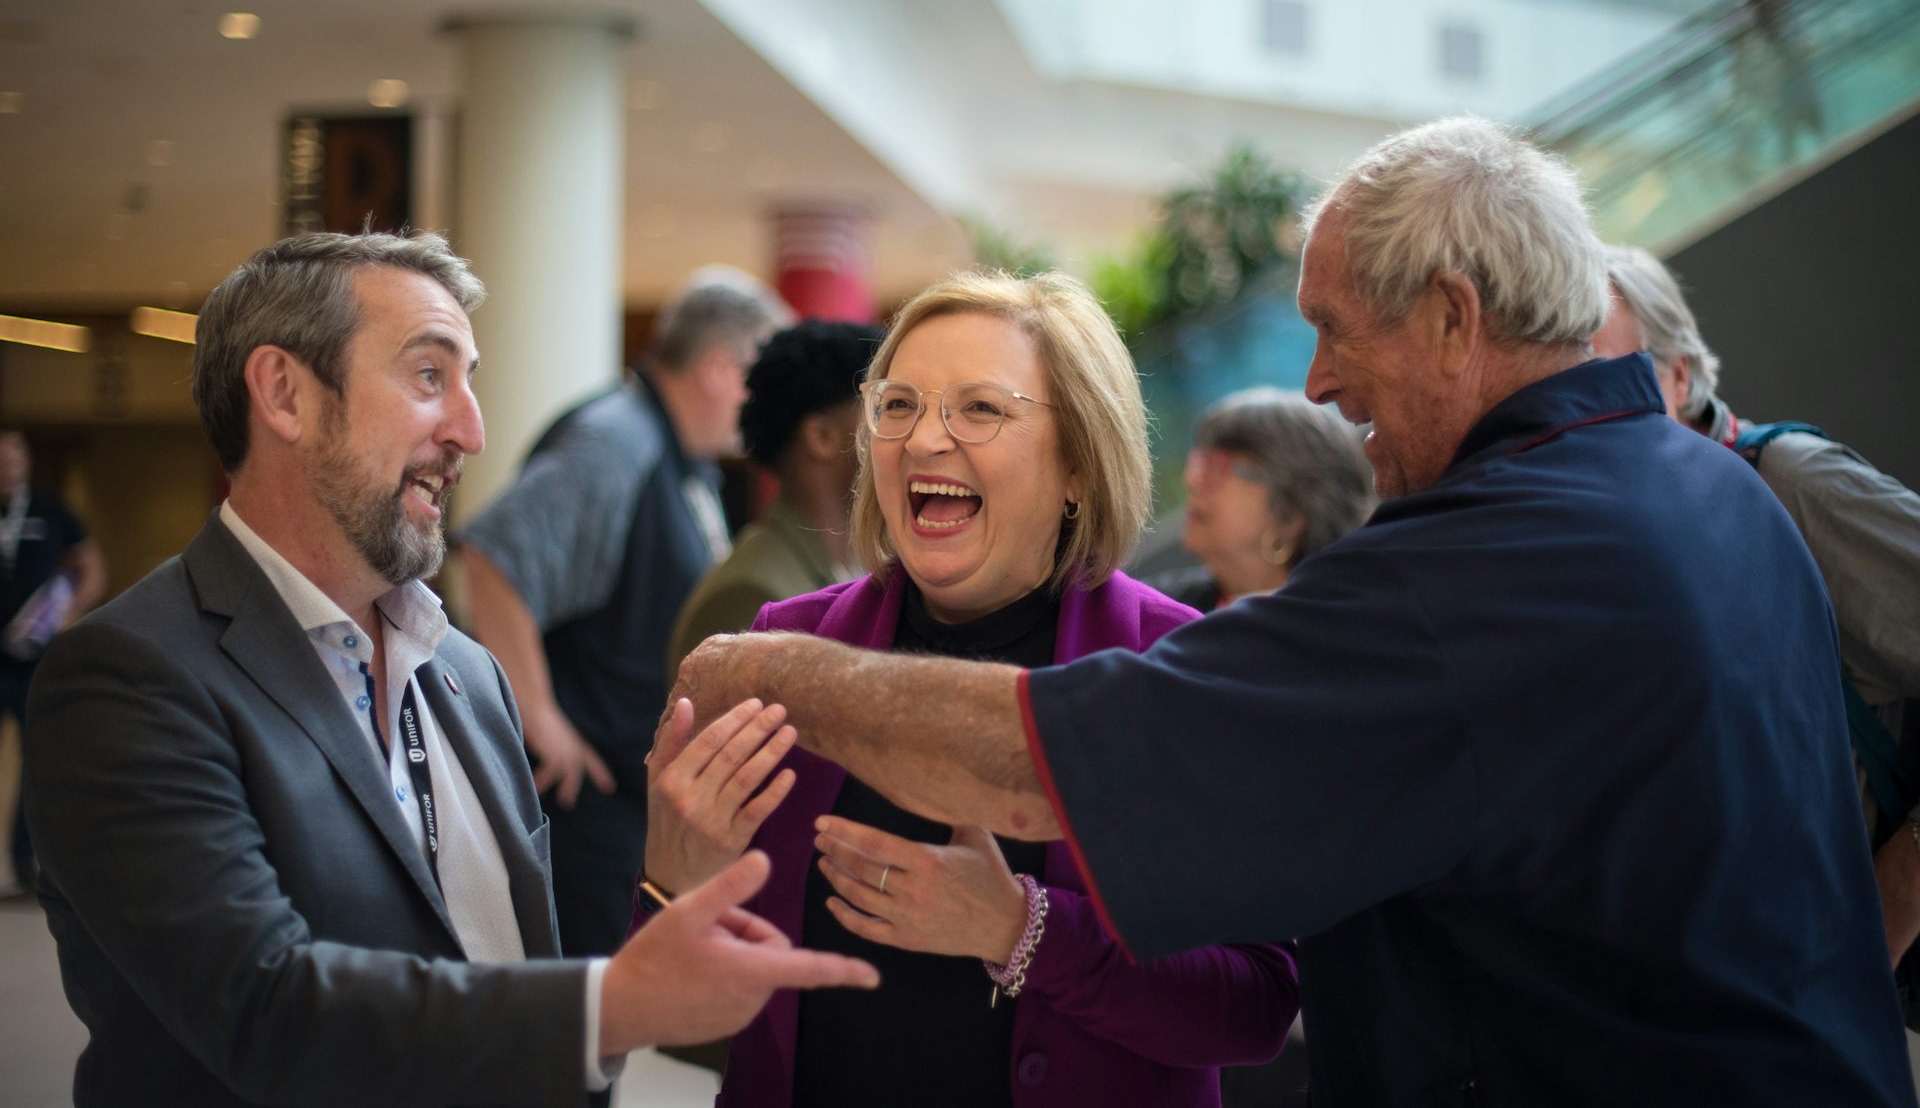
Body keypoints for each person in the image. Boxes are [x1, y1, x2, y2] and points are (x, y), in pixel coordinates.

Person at [669, 118, 1917, 1105]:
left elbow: (1056, 776)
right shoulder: (1712, 488)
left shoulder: (1476, 570)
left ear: (1449, 315)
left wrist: (768, 673)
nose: (1317, 380)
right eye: (899, 403)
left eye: (1332, 327)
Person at [24, 232, 876, 1108]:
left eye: (469, 381)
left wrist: (666, 875)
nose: (471, 429)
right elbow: (264, 1010)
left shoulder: (464, 671)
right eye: (429, 376)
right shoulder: (127, 677)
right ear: (283, 393)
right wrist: (608, 1006)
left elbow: (504, 967)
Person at [643, 269, 1297, 1107]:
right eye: (899, 405)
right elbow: (680, 1013)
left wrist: (1019, 930)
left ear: (1077, 463)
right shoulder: (782, 648)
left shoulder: (1184, 667)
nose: (922, 440)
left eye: (980, 408)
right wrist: (672, 874)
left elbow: (1255, 1007)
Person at [1593, 245, 1920, 977]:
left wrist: (1894, 901)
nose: (1586, 413)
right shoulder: (1625, 539)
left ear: (1680, 374)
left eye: (1611, 379)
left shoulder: (1795, 485)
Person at [461, 266, 790, 956]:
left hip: (629, 812)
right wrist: (540, 716)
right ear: (722, 369)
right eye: (771, 375)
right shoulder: (617, 438)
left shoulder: (685, 457)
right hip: (584, 815)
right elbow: (493, 558)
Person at [666, 319, 885, 676]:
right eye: (882, 409)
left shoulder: (851, 563)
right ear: (822, 436)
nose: (902, 433)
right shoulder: (751, 593)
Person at [0, 429, 105, 895]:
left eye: (13, 459)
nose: (7, 467)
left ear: (25, 462)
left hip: (33, 659)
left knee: (35, 759)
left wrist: (69, 611)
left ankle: (26, 864)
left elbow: (90, 565)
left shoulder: (49, 510)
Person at [1156, 388, 1371, 612]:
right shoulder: (1157, 613)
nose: (1192, 480)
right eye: (1199, 463)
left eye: (1217, 468)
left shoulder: (1357, 618)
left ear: (1291, 511)